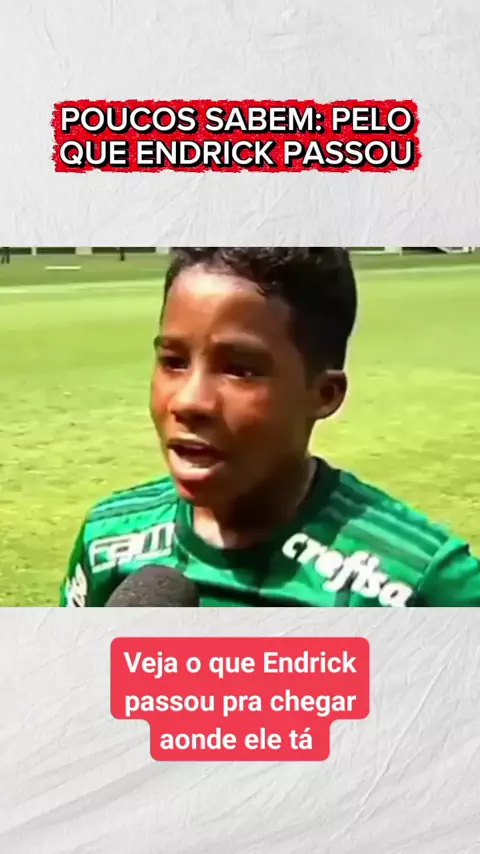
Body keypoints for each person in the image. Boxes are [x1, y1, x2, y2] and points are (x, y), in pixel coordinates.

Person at [60, 247, 480, 607]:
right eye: (173, 362)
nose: (188, 401)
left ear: (324, 395)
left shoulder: (422, 586)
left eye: (240, 370)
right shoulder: (106, 541)